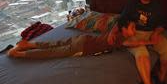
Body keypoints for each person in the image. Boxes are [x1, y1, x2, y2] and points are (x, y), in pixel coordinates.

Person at [8, 18, 142, 59]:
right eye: (133, 28)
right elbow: (136, 43)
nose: (134, 31)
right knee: (53, 52)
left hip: (83, 38)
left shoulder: (114, 31)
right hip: (82, 47)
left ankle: (30, 44)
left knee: (55, 43)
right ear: (124, 29)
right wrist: (150, 41)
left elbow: (118, 24)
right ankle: (19, 53)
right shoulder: (121, 39)